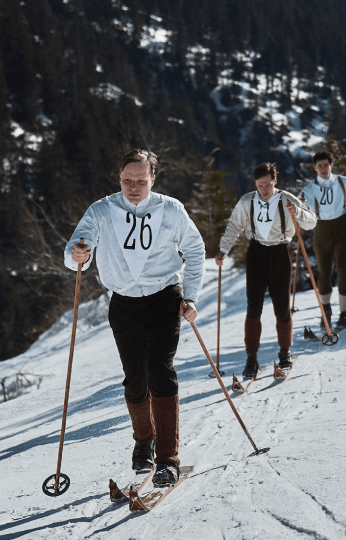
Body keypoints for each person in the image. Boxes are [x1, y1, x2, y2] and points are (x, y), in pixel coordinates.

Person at [64, 149, 205, 487]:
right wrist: (77, 254)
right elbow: (75, 254)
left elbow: (196, 249)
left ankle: (167, 459)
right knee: (134, 378)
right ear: (119, 179)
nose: (133, 187)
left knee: (160, 370)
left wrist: (191, 297)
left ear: (152, 179)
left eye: (141, 181)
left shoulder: (171, 209)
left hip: (164, 298)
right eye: (127, 180)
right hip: (123, 303)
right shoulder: (101, 210)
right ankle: (144, 439)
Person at [215, 163, 316, 378]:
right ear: (255, 184)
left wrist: (297, 212)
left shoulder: (286, 198)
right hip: (256, 254)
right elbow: (234, 225)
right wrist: (223, 249)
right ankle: (251, 358)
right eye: (260, 185)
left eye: (268, 185)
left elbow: (311, 222)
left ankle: (285, 352)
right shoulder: (247, 201)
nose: (264, 189)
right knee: (254, 307)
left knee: (282, 306)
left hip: (280, 253)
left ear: (275, 181)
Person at [298, 151, 346, 330]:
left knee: (343, 268)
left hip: (343, 228)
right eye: (319, 166)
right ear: (314, 168)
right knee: (323, 272)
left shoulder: (343, 182)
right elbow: (300, 207)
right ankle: (325, 311)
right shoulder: (310, 189)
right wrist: (299, 212)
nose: (322, 169)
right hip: (322, 231)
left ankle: (345, 314)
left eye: (325, 165)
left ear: (331, 166)